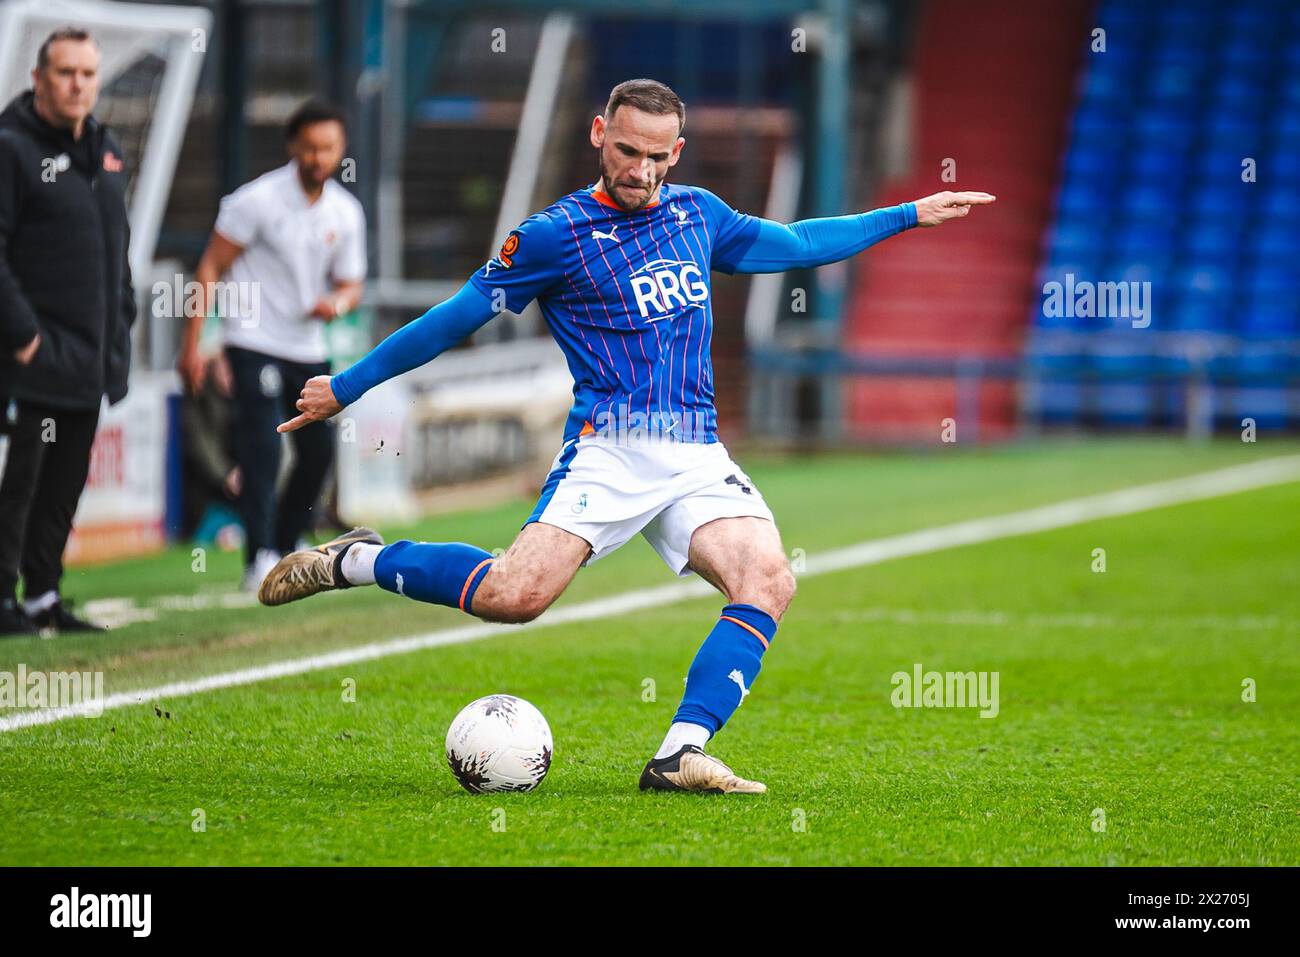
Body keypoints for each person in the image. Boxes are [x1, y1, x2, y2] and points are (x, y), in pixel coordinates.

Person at [259, 79, 994, 792]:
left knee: (769, 578)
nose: (641, 170)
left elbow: (798, 241)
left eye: (657, 157)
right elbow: (453, 317)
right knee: (514, 596)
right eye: (628, 151)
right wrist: (345, 387)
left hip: (697, 453)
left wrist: (907, 213)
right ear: (599, 134)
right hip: (609, 450)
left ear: (677, 152)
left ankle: (681, 752)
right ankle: (358, 560)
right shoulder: (552, 235)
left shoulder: (698, 215)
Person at [176, 100, 367, 591]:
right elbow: (210, 268)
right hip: (252, 339)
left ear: (340, 150)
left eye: (327, 148)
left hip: (307, 347)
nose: (318, 157)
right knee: (261, 447)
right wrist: (193, 344)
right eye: (309, 148)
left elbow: (351, 285)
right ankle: (257, 556)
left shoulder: (345, 212)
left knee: (319, 451)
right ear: (293, 148)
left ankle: (285, 544)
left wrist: (337, 305)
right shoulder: (255, 201)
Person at [0, 27, 136, 637]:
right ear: (39, 79)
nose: (78, 84)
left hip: (89, 358)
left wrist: (122, 328)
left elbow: (118, 252)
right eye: (65, 72)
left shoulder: (106, 151)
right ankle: (3, 598)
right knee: (19, 485)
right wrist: (24, 334)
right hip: (32, 357)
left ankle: (42, 597)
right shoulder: (11, 147)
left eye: (88, 74)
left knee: (62, 490)